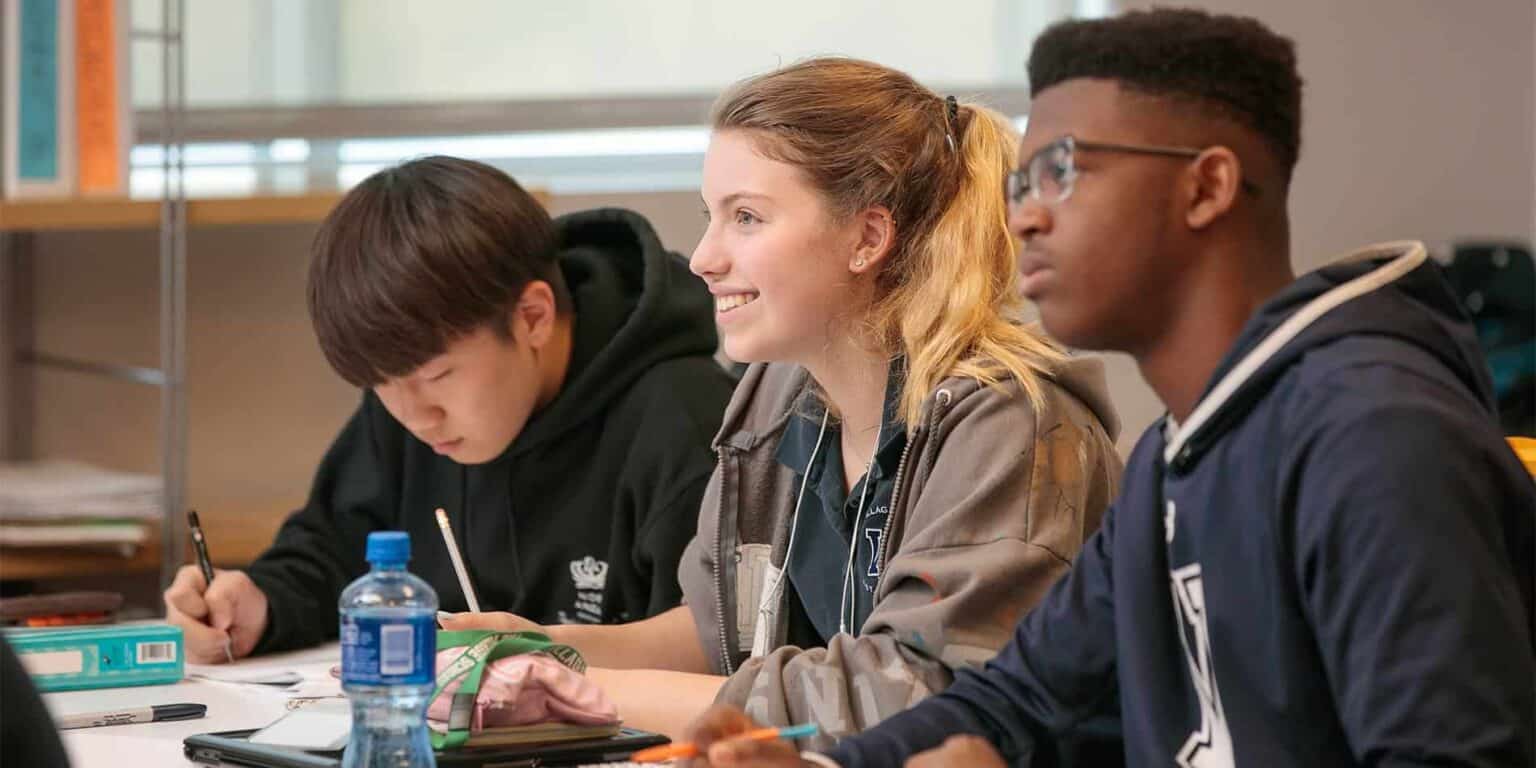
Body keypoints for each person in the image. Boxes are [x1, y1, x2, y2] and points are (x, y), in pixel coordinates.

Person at [680, 9, 1536, 767]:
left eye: (1063, 171)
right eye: (1023, 185)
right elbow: (1015, 703)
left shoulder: (1377, 438)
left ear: (1207, 186)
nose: (1025, 217)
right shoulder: (1180, 450)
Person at [445, 57, 1123, 744]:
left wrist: (581, 690)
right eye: (712, 217)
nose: (704, 257)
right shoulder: (780, 395)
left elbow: (913, 699)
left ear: (867, 237)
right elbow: (720, 633)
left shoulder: (1014, 426)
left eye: (746, 217)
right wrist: (541, 648)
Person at [163, 156, 736, 663]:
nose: (416, 417)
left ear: (532, 317)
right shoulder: (407, 406)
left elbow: (713, 649)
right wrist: (260, 603)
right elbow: (333, 551)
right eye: (381, 384)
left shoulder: (686, 424)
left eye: (436, 376)